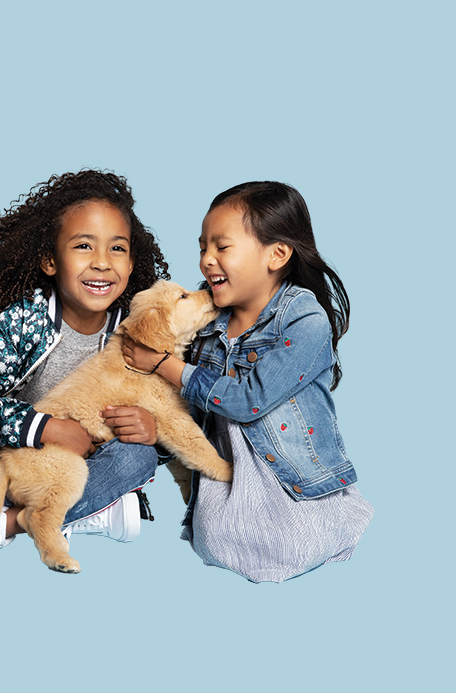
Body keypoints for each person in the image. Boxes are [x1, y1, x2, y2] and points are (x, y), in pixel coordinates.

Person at [0, 169, 173, 554]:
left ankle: (7, 522)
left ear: (131, 264)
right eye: (83, 246)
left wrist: (152, 430)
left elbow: (169, 415)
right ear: (50, 260)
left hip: (83, 469)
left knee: (139, 457)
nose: (101, 263)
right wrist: (46, 428)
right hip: (17, 464)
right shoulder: (25, 320)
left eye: (117, 248)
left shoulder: (136, 334)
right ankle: (88, 513)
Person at [121, 181, 373, 582]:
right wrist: (158, 432)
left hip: (291, 484)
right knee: (215, 538)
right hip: (225, 481)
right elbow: (193, 410)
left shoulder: (304, 320)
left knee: (295, 540)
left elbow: (246, 401)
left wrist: (164, 366)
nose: (206, 260)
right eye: (202, 247)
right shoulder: (207, 318)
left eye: (222, 247)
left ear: (276, 254)